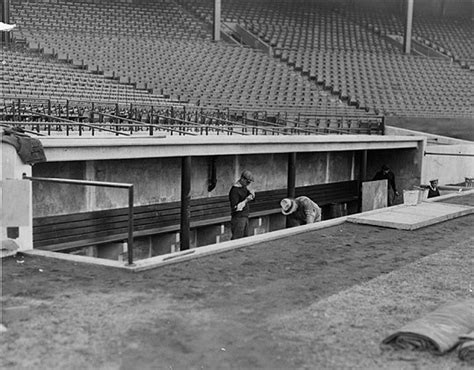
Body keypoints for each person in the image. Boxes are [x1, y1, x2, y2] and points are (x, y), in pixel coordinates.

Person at [229, 170, 256, 240]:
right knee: (237, 239)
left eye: (249, 183)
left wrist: (251, 195)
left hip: (245, 216)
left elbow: (249, 198)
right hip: (238, 217)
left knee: (244, 239)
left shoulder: (243, 188)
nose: (248, 184)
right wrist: (246, 200)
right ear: (242, 179)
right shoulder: (235, 191)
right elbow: (235, 208)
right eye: (247, 182)